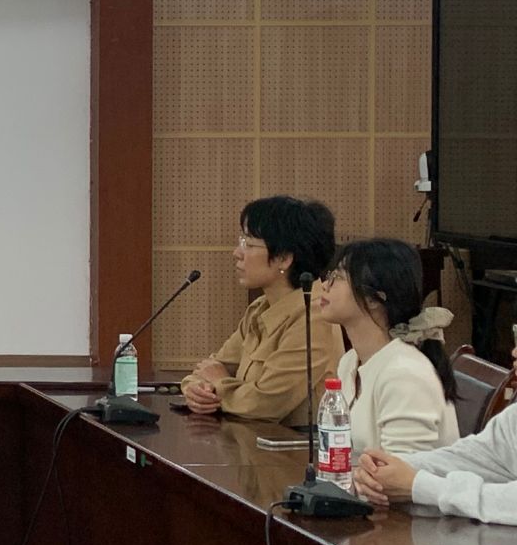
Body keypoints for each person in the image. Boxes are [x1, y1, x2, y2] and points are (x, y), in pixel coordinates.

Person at [181, 196, 343, 425]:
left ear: (284, 258)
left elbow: (267, 404)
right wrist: (196, 390)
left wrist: (219, 385)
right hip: (251, 438)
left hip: (294, 445)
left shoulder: (315, 315)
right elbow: (211, 367)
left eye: (249, 244)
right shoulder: (260, 308)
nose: (237, 253)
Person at [312, 238, 458, 456]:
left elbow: (404, 471)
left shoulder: (404, 374)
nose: (324, 285)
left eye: (338, 278)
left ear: (374, 298)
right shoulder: (350, 361)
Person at [357, 352, 517, 524]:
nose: (514, 352)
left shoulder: (405, 371)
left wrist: (419, 486)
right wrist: (383, 469)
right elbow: (470, 457)